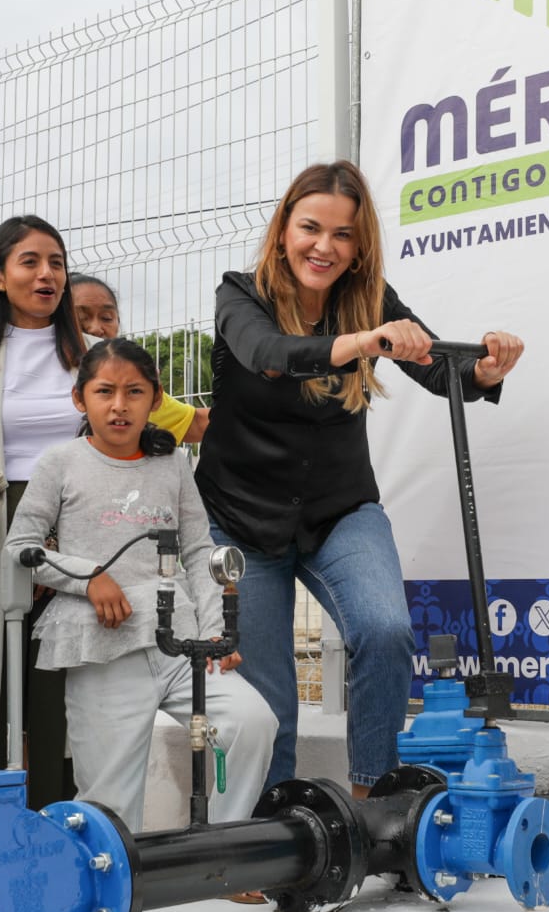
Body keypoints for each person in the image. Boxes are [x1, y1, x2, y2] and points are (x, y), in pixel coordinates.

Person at [197, 160, 524, 797]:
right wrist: (362, 342)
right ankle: (270, 831)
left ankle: (371, 809)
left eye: (342, 235)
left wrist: (484, 372)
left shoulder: (369, 298)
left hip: (340, 510)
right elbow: (269, 355)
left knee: (385, 630)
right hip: (241, 519)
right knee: (273, 699)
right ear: (283, 229)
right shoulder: (240, 294)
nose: (324, 246)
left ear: (359, 244)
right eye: (310, 228)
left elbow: (438, 372)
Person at [0, 217, 206, 804]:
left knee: (64, 699)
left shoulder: (100, 357)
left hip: (90, 535)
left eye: (56, 262)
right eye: (29, 262)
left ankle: (65, 827)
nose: (46, 274)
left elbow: (164, 423)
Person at [5, 338, 273, 830]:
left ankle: (219, 854)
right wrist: (89, 579)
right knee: (109, 804)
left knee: (253, 722)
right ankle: (110, 893)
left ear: (156, 398)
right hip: (102, 647)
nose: (119, 405)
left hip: (182, 646)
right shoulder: (59, 463)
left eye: (134, 392)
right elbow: (20, 549)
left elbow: (197, 549)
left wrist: (214, 631)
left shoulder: (171, 464)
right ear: (79, 398)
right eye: (104, 391)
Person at [70, 271, 210, 444]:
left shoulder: (133, 377)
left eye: (107, 318)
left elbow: (196, 424)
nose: (96, 328)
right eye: (82, 317)